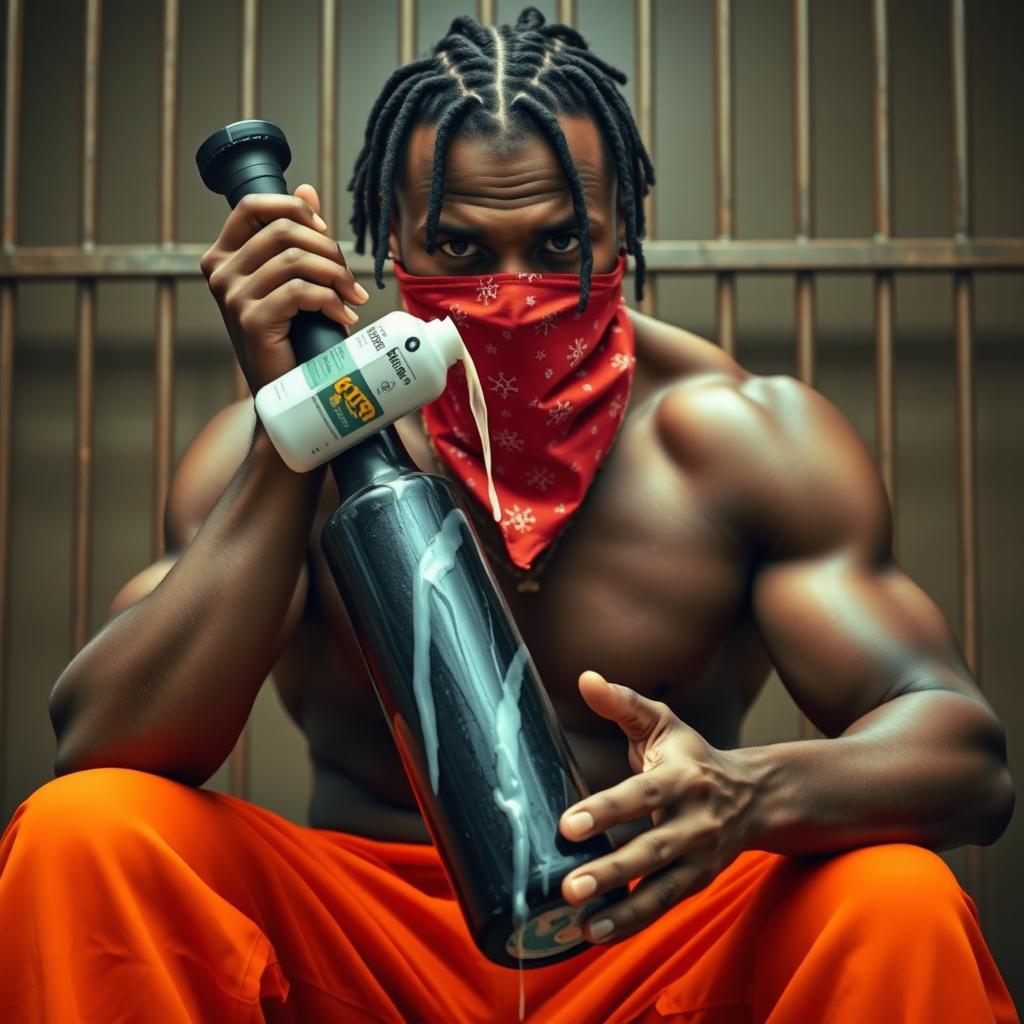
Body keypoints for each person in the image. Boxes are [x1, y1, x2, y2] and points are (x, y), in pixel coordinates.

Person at [1, 8, 1017, 1023]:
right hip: (370, 952)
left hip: (656, 935)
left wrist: (744, 793)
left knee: (897, 893)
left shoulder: (743, 442)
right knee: (83, 828)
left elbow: (965, 757)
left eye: (558, 242)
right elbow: (100, 740)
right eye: (457, 245)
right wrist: (298, 433)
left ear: (625, 227)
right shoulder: (260, 455)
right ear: (387, 241)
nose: (512, 290)